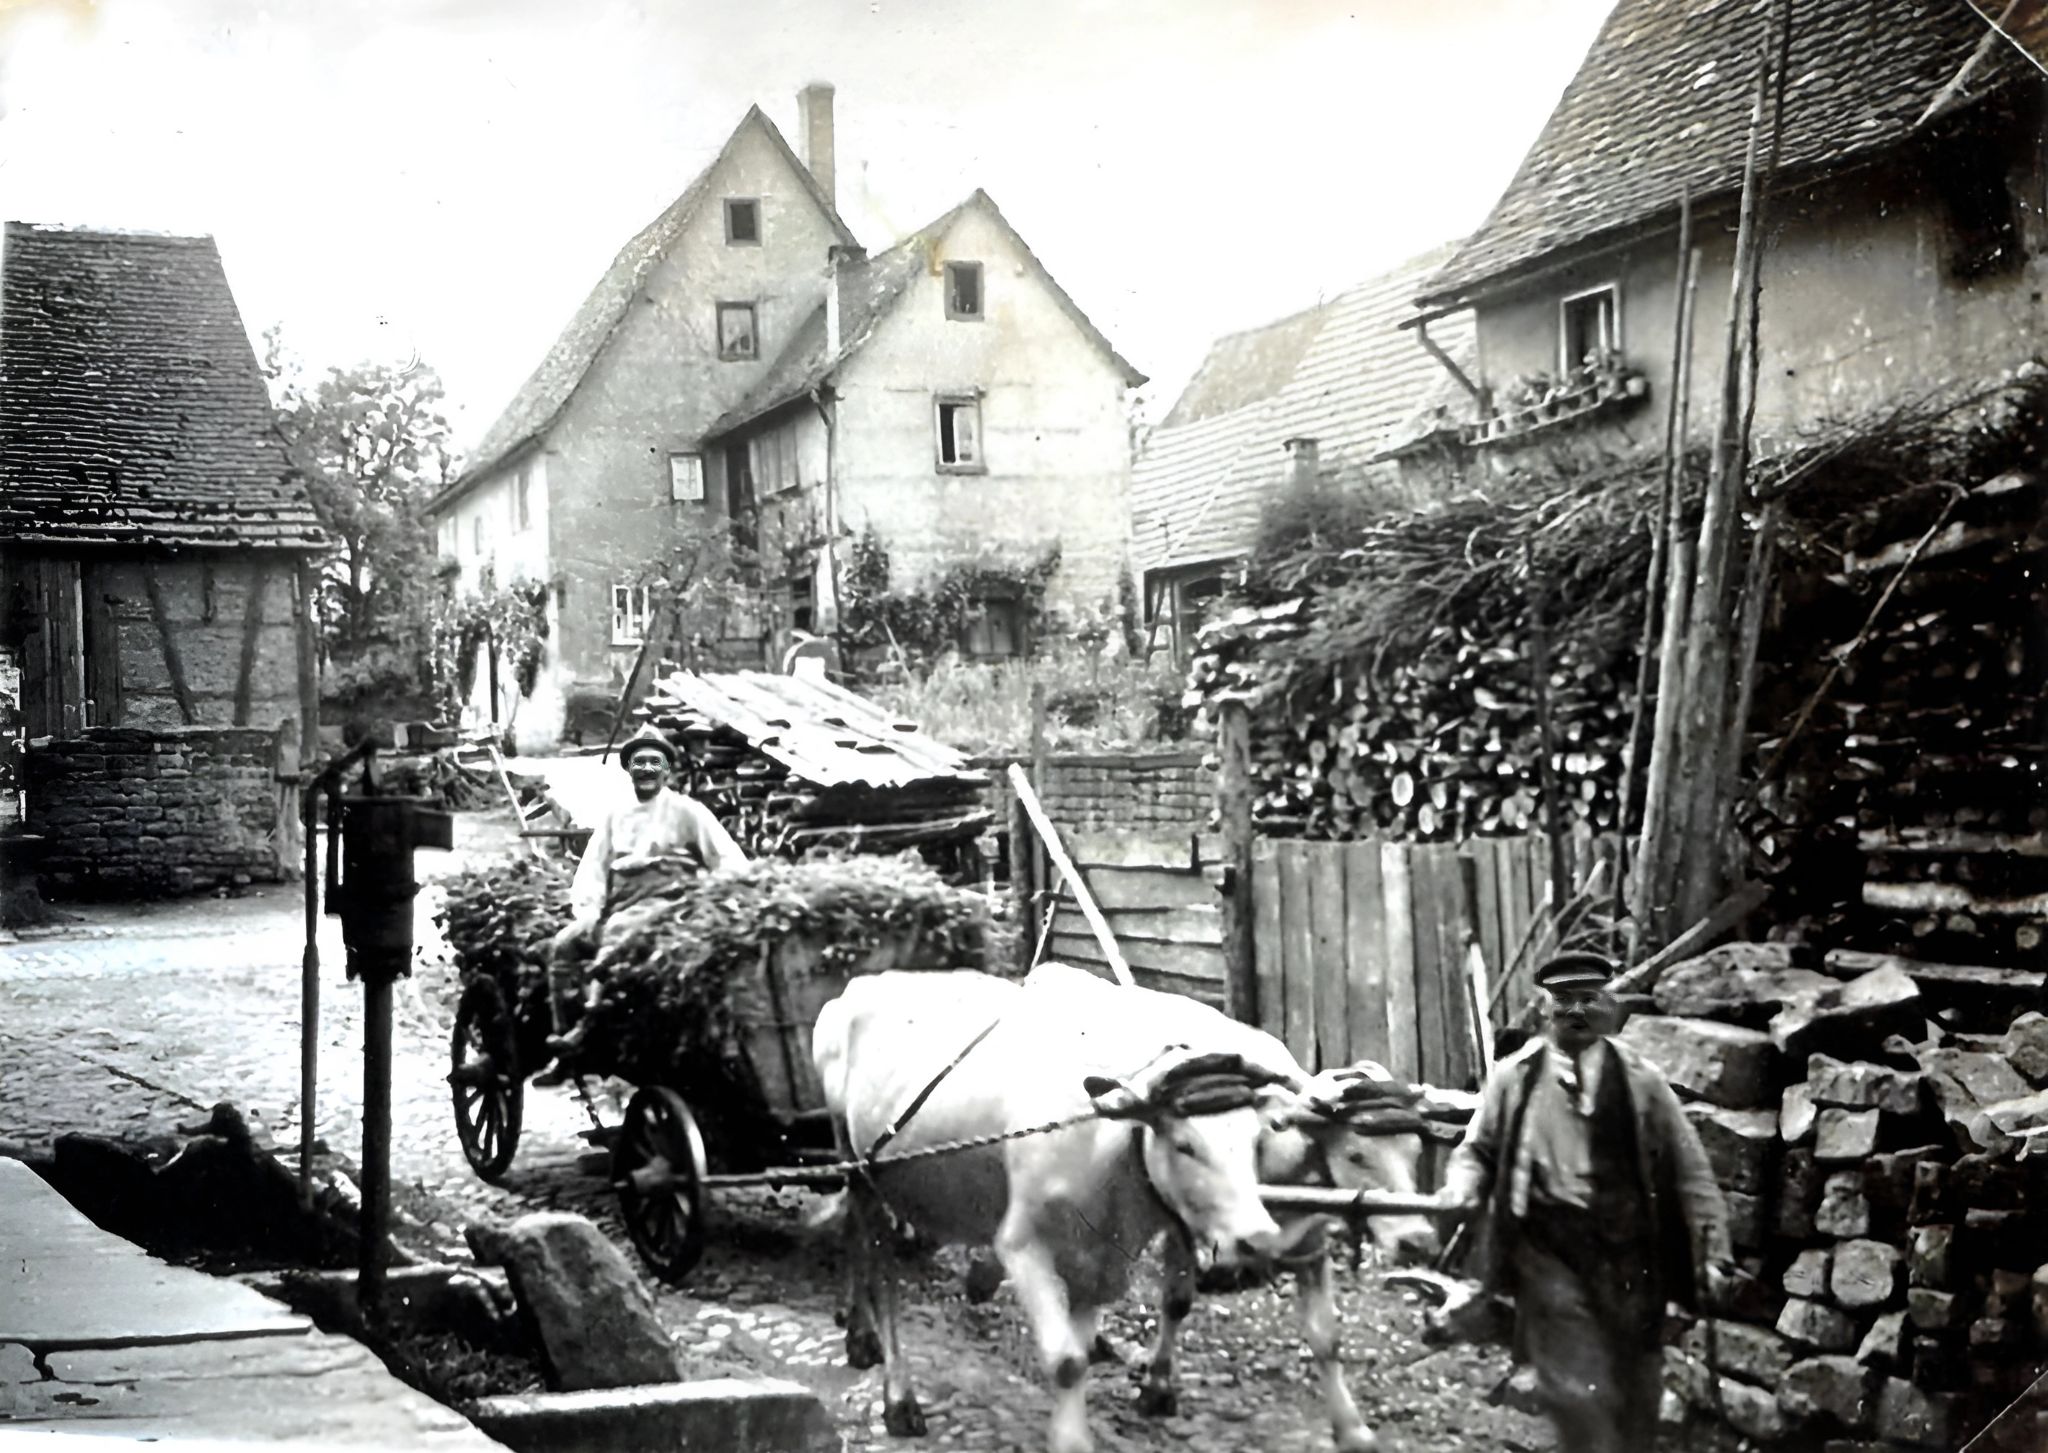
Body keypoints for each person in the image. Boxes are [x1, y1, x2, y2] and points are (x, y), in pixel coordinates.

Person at [1432, 951, 1735, 1453]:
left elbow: (1691, 1171)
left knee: (1638, 1389)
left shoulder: (1642, 1082)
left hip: (1631, 1253)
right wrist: (1461, 1187)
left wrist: (1714, 1252)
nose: (1576, 1012)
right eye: (1564, 1000)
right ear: (1543, 1008)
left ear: (1609, 1005)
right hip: (1549, 1250)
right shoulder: (1515, 1078)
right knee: (1578, 1389)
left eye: (1588, 999)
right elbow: (1476, 1152)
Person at [533, 725, 747, 1086]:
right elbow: (594, 870)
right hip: (622, 904)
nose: (646, 769)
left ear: (667, 771)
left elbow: (727, 860)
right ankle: (566, 1047)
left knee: (619, 934)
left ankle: (591, 1023)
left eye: (654, 762)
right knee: (564, 945)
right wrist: (589, 911)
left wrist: (718, 899)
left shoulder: (688, 812)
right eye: (639, 762)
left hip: (672, 906)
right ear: (629, 769)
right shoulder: (615, 816)